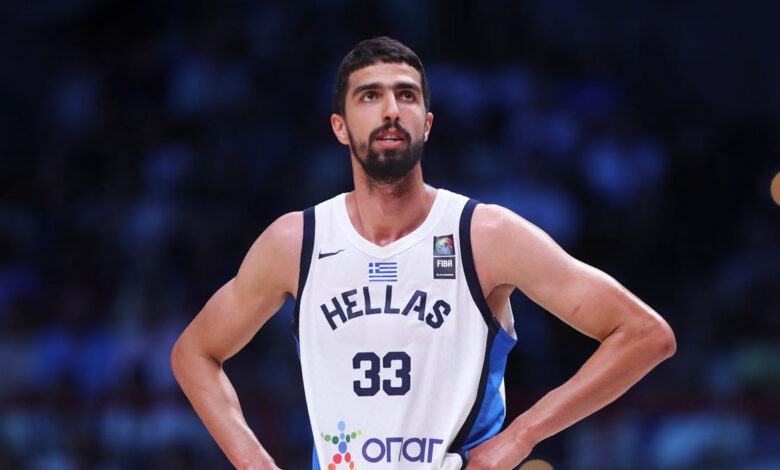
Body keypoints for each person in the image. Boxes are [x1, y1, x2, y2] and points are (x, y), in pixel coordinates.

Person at [170, 36, 676, 470]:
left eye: (406, 95)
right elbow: (194, 353)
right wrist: (254, 462)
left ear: (427, 123)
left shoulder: (484, 234)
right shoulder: (297, 241)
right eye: (370, 95)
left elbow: (645, 334)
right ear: (340, 126)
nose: (391, 109)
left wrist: (523, 436)